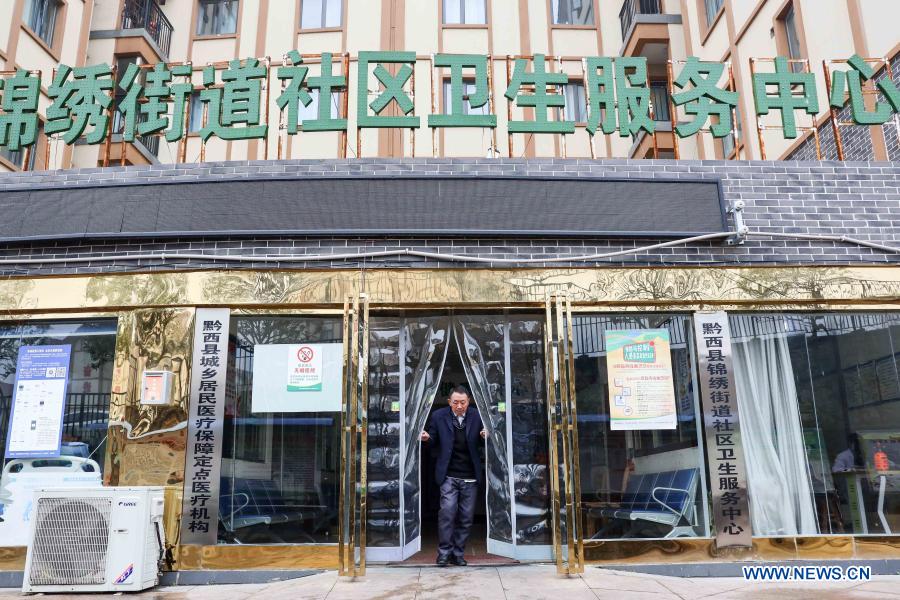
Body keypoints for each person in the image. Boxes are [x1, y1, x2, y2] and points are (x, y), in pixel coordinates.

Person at [420, 385, 487, 567]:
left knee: (466, 518)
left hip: (470, 477)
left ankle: (458, 553)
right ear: (449, 402)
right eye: (455, 402)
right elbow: (432, 439)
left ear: (469, 402)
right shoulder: (438, 416)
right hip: (448, 475)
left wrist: (484, 436)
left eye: (463, 403)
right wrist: (427, 438)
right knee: (447, 514)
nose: (459, 406)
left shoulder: (477, 415)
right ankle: (443, 553)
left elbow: (486, 440)